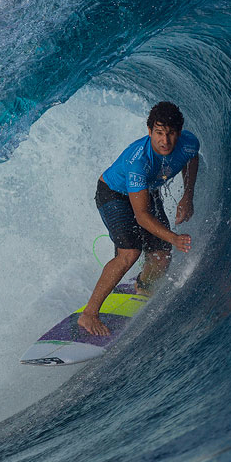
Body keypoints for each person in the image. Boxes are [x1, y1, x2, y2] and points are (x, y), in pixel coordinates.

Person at [79, 101, 200, 336]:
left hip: (146, 191)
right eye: (159, 134)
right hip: (114, 194)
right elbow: (142, 216)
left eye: (171, 133)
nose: (165, 141)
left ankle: (143, 288)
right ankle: (89, 314)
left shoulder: (189, 143)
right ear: (149, 132)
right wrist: (174, 238)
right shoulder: (139, 162)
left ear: (180, 131)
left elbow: (191, 158)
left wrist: (188, 194)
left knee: (162, 255)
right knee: (130, 253)